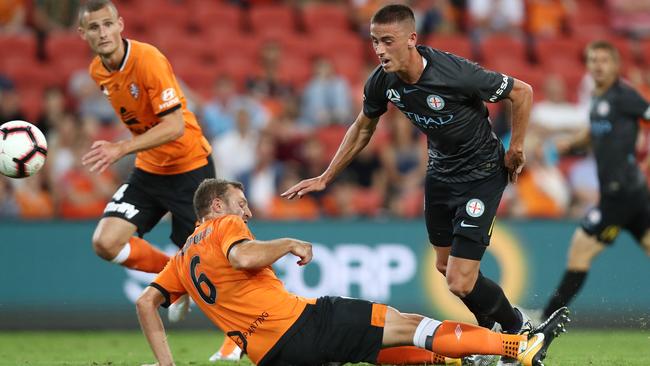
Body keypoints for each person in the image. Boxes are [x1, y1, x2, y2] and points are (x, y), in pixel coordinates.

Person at [282, 5, 533, 365]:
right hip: (440, 175)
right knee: (445, 268)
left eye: (387, 41)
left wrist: (517, 147)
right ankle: (490, 328)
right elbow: (363, 126)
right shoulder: (383, 81)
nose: (380, 50)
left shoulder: (455, 72)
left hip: (481, 175)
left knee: (461, 281)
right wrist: (326, 176)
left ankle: (516, 326)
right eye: (374, 42)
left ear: (412, 39)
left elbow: (522, 92)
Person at [136, 178, 569, 366]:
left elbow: (146, 302)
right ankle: (519, 346)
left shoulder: (180, 260)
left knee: (379, 349)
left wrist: (166, 361)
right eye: (239, 201)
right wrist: (288, 243)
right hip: (301, 324)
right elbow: (244, 258)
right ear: (216, 206)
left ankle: (462, 360)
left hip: (269, 356)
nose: (246, 210)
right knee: (411, 324)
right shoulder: (223, 227)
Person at [76, 0, 237, 361]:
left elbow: (175, 125)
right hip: (149, 170)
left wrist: (122, 148)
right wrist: (130, 150)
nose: (102, 33)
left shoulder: (148, 59)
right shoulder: (97, 72)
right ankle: (176, 282)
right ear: (82, 33)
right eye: (94, 27)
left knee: (210, 262)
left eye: (107, 24)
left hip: (189, 167)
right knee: (105, 242)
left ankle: (235, 339)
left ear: (120, 24)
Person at [541, 41, 650, 319]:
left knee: (579, 251)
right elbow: (593, 131)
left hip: (620, 193)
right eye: (593, 60)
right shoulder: (598, 99)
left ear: (615, 65)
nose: (598, 66)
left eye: (604, 60)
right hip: (633, 192)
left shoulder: (625, 96)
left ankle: (545, 320)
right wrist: (571, 143)